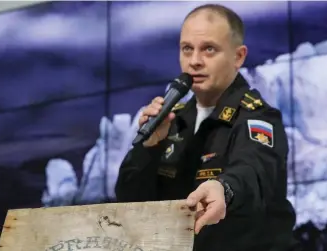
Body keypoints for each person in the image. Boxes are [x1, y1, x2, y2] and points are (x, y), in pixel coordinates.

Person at [115, 4, 298, 251]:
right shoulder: (171, 120)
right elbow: (129, 201)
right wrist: (148, 148)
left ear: (239, 56)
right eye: (187, 49)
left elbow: (253, 170)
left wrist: (224, 188)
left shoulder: (258, 117)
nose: (195, 61)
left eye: (209, 49)